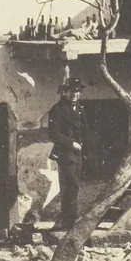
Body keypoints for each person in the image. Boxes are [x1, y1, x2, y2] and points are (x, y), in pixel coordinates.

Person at [47, 78, 85, 229]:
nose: (75, 94)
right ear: (65, 92)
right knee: (72, 185)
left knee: (73, 186)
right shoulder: (57, 110)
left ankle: (69, 220)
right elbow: (53, 134)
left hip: (78, 154)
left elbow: (84, 129)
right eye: (72, 91)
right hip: (65, 153)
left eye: (77, 91)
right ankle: (69, 221)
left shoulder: (79, 108)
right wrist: (71, 143)